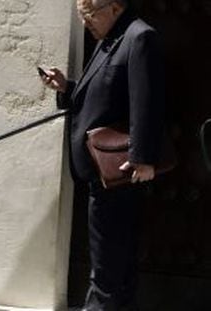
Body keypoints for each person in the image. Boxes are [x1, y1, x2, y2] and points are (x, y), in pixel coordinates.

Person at [41, 0, 165, 310]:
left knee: (109, 264)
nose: (85, 23)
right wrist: (66, 88)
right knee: (113, 261)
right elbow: (102, 95)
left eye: (90, 15)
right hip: (100, 171)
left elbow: (145, 101)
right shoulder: (111, 38)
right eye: (81, 16)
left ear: (114, 7)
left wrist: (143, 157)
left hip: (120, 170)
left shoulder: (138, 37)